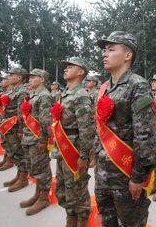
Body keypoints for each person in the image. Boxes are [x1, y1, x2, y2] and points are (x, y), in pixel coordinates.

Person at [94, 31, 156, 227]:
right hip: (103, 173)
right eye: (104, 50)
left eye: (111, 49)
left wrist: (139, 176)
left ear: (127, 55)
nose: (105, 54)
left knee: (130, 223)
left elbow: (144, 134)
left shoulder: (138, 85)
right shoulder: (104, 87)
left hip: (125, 175)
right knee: (107, 221)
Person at [51, 57, 95, 227]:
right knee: (63, 188)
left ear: (81, 72)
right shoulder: (64, 94)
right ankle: (71, 218)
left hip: (74, 151)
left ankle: (82, 219)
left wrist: (84, 156)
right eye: (65, 66)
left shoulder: (81, 95)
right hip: (62, 149)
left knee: (77, 189)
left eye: (70, 66)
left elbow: (87, 129)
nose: (65, 69)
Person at [19, 68, 53, 215]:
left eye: (34, 77)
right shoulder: (32, 95)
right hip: (28, 137)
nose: (30, 79)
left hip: (37, 139)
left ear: (42, 80)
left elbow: (46, 121)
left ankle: (44, 198)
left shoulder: (44, 96)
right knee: (33, 168)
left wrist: (43, 140)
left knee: (42, 169)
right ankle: (37, 194)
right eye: (30, 77)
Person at [0, 68, 29, 192]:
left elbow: (21, 113)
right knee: (12, 152)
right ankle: (19, 175)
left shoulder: (21, 92)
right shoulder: (11, 91)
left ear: (20, 77)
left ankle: (23, 178)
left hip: (15, 127)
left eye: (12, 75)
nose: (9, 77)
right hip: (7, 126)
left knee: (19, 153)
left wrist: (21, 130)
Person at [0, 74, 14, 170]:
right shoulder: (4, 92)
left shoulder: (11, 93)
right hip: (3, 120)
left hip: (10, 122)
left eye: (4, 80)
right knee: (4, 141)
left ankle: (9, 160)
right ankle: (6, 158)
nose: (2, 82)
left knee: (9, 142)